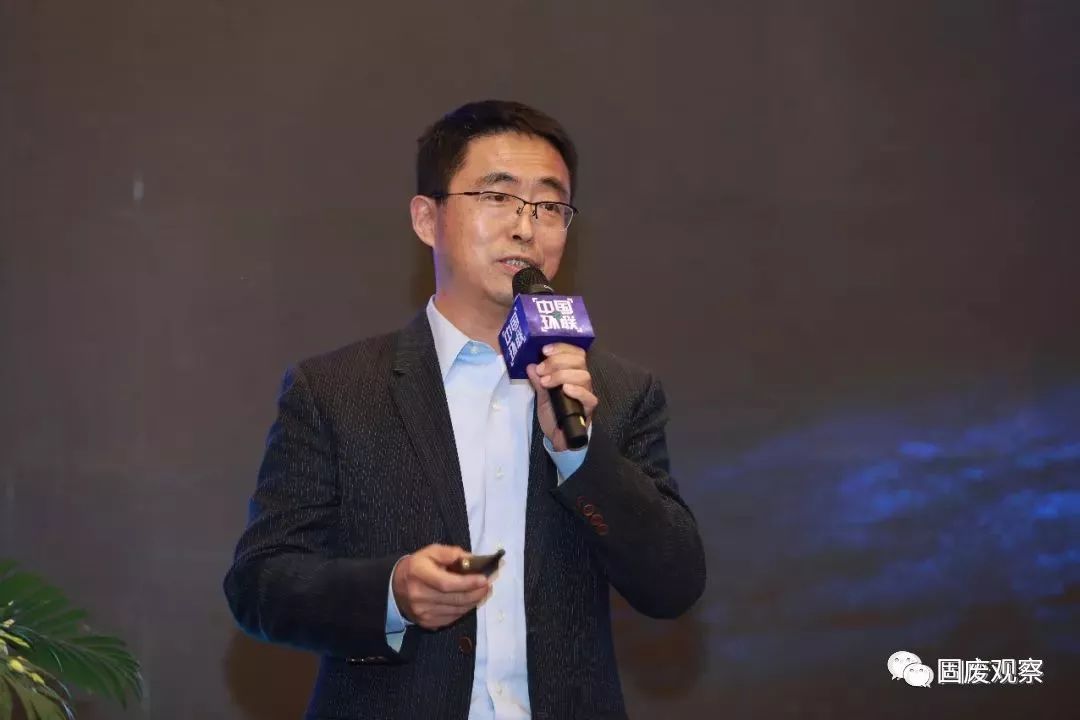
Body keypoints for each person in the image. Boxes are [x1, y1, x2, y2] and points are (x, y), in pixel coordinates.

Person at [223, 100, 706, 720]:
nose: (526, 227)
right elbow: (259, 585)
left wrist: (580, 455)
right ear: (427, 218)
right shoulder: (336, 390)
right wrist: (392, 593)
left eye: (549, 206)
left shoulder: (615, 391)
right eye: (498, 197)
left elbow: (673, 584)